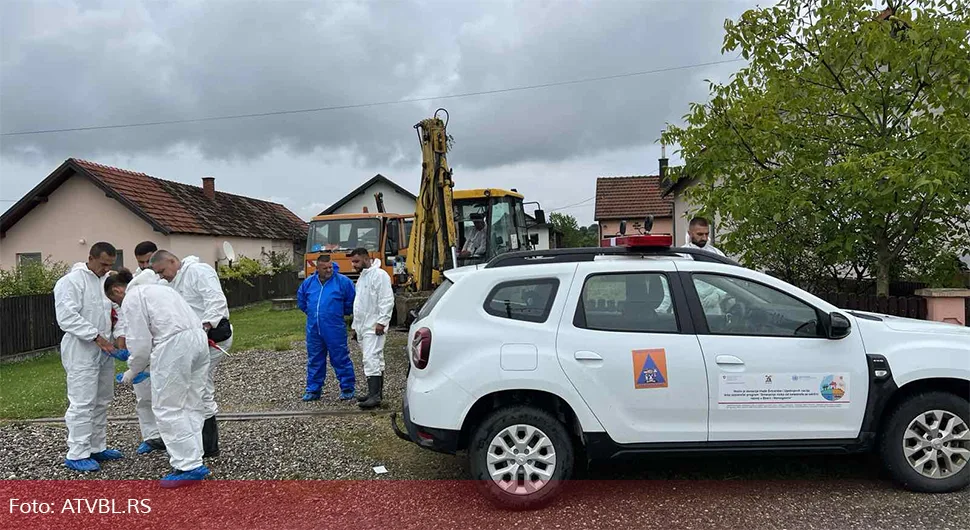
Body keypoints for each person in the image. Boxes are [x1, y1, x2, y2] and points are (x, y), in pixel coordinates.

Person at [106, 268, 211, 488]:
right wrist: (151, 366)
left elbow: (142, 344)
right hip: (198, 341)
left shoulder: (134, 297)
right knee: (191, 403)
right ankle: (194, 458)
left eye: (115, 300)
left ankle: (187, 466)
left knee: (167, 407)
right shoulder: (162, 289)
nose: (118, 305)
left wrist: (132, 372)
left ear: (117, 290)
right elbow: (166, 331)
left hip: (175, 346)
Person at [150, 250, 231, 458]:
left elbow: (216, 302)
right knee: (194, 387)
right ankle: (198, 442)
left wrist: (202, 331)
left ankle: (206, 445)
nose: (161, 276)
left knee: (199, 388)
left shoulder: (198, 271)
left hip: (211, 337)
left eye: (162, 271)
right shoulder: (170, 282)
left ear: (172, 260)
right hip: (192, 342)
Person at [53, 241, 124, 472]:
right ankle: (77, 452)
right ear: (91, 258)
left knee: (102, 400)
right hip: (81, 349)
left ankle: (96, 446)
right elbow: (67, 317)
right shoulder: (70, 282)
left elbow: (119, 310)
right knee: (82, 401)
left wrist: (119, 336)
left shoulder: (107, 282)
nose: (106, 268)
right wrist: (96, 337)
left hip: (104, 350)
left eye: (110, 264)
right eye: (103, 264)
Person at [296, 253, 357, 401]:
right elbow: (302, 301)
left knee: (340, 357)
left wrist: (339, 313)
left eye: (330, 267)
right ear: (317, 268)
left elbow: (352, 301)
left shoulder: (343, 282)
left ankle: (347, 387)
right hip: (314, 329)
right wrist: (313, 313)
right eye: (325, 268)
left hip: (334, 327)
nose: (329, 270)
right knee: (315, 359)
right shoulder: (309, 283)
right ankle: (313, 390)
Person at [349, 248, 394, 409]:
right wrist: (355, 327)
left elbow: (386, 300)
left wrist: (382, 322)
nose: (353, 265)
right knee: (375, 358)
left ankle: (374, 396)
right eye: (353, 261)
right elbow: (359, 305)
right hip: (364, 326)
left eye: (356, 261)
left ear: (366, 259)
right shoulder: (363, 277)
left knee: (371, 358)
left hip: (374, 326)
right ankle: (375, 393)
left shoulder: (380, 275)